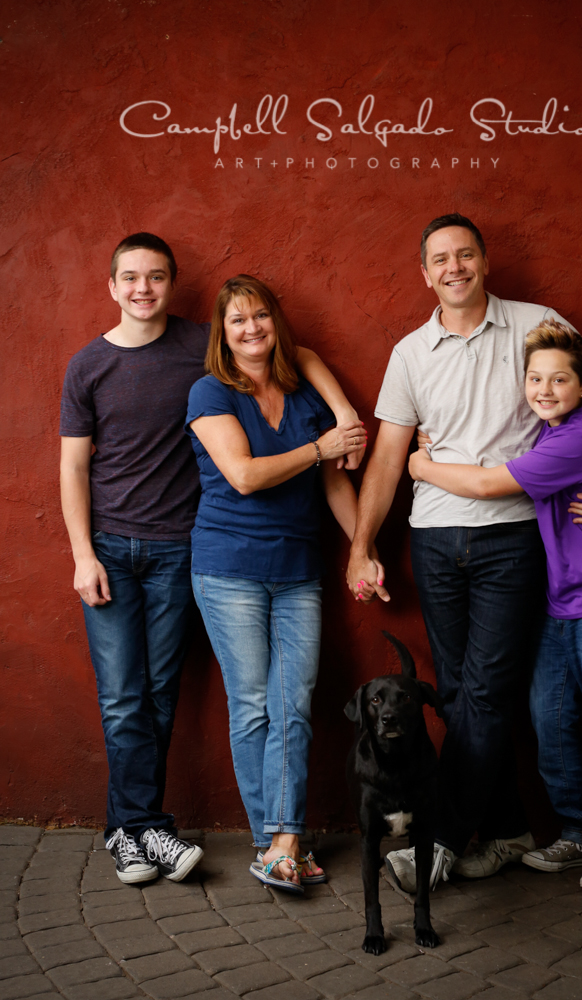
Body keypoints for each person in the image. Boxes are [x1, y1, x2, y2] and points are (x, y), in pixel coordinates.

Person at [346, 213, 582, 892]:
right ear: (425, 273)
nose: (454, 268)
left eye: (466, 255)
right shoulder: (410, 353)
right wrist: (362, 546)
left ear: (484, 262)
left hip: (512, 537)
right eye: (440, 259)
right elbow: (390, 458)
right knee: (455, 696)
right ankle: (507, 830)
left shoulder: (536, 325)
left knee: (482, 691)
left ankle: (439, 841)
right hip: (435, 538)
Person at [60, 234, 362, 884]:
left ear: (171, 285)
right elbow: (73, 465)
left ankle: (192, 832)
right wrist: (82, 553)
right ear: (112, 287)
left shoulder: (204, 345)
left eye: (156, 277)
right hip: (129, 547)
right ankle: (131, 829)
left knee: (166, 697)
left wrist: (340, 415)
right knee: (124, 699)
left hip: (179, 548)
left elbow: (294, 350)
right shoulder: (93, 366)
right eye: (131, 278)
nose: (143, 288)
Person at [409, 320, 582, 891]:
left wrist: (421, 467)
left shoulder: (581, 437)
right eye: (535, 378)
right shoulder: (548, 430)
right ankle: (573, 833)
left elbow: (492, 485)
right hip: (558, 603)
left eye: (559, 379)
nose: (543, 389)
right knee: (552, 724)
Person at [185, 275, 365, 894]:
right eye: (238, 320)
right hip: (227, 569)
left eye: (261, 316)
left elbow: (334, 481)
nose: (252, 328)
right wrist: (321, 446)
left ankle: (282, 841)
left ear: (276, 323)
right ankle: (276, 843)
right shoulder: (210, 392)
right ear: (223, 332)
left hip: (298, 573)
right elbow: (242, 475)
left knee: (295, 703)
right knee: (254, 705)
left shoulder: (302, 388)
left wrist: (361, 547)